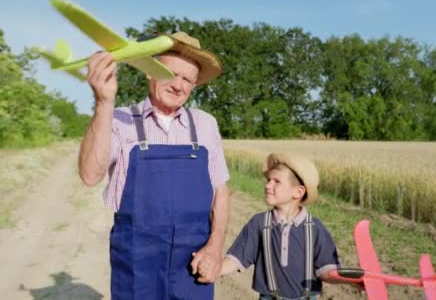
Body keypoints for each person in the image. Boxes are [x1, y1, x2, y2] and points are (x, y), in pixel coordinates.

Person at [78, 32, 230, 299]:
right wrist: (103, 102)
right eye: (171, 74)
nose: (178, 86)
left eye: (188, 80)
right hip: (137, 261)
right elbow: (90, 175)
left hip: (193, 261)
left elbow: (220, 190)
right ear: (150, 72)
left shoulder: (205, 124)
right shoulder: (118, 120)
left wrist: (216, 247)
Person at [219, 152, 342, 300]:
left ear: (298, 192)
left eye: (276, 181)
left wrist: (352, 281)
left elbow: (326, 270)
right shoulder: (259, 223)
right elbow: (236, 259)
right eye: (268, 180)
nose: (268, 185)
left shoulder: (315, 228)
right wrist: (213, 268)